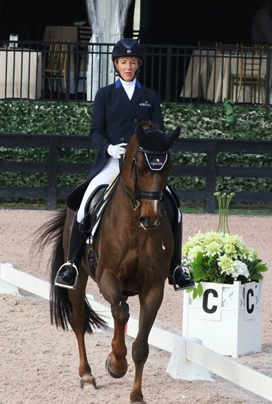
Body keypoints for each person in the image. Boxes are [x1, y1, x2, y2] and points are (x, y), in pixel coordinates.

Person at [54, 38, 195, 292]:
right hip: (111, 161)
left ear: (138, 65)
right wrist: (109, 148)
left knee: (174, 206)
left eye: (132, 62)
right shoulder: (105, 94)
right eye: (123, 62)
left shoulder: (150, 96)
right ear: (116, 65)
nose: (128, 67)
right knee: (84, 203)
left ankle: (177, 268)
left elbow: (158, 132)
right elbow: (95, 131)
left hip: (143, 166)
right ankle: (71, 264)